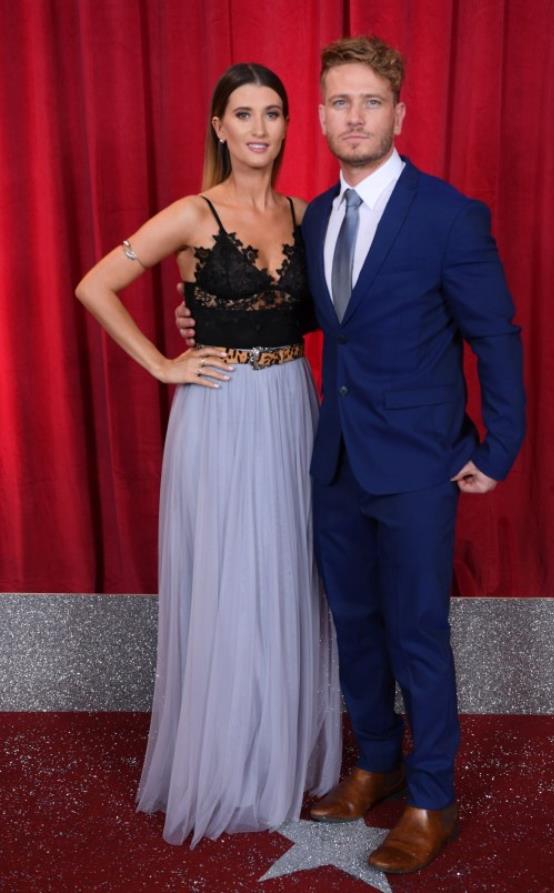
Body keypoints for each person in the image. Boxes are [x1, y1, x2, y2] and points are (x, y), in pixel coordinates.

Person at [176, 36, 525, 876]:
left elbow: (496, 336)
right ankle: (376, 761)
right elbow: (313, 315)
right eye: (338, 102)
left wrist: (499, 445)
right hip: (331, 458)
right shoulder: (316, 215)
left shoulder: (448, 214)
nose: (354, 116)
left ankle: (430, 796)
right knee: (355, 625)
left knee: (416, 631)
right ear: (320, 118)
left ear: (398, 114)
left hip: (417, 465)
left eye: (369, 101)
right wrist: (205, 327)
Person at [75, 62, 342, 846]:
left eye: (272, 114)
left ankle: (274, 760)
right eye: (243, 114)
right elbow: (95, 285)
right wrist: (164, 360)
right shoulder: (192, 214)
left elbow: (331, 313)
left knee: (286, 578)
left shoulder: (305, 214)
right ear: (219, 128)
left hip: (292, 406)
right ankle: (223, 768)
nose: (259, 128)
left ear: (289, 127)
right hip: (218, 411)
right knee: (227, 580)